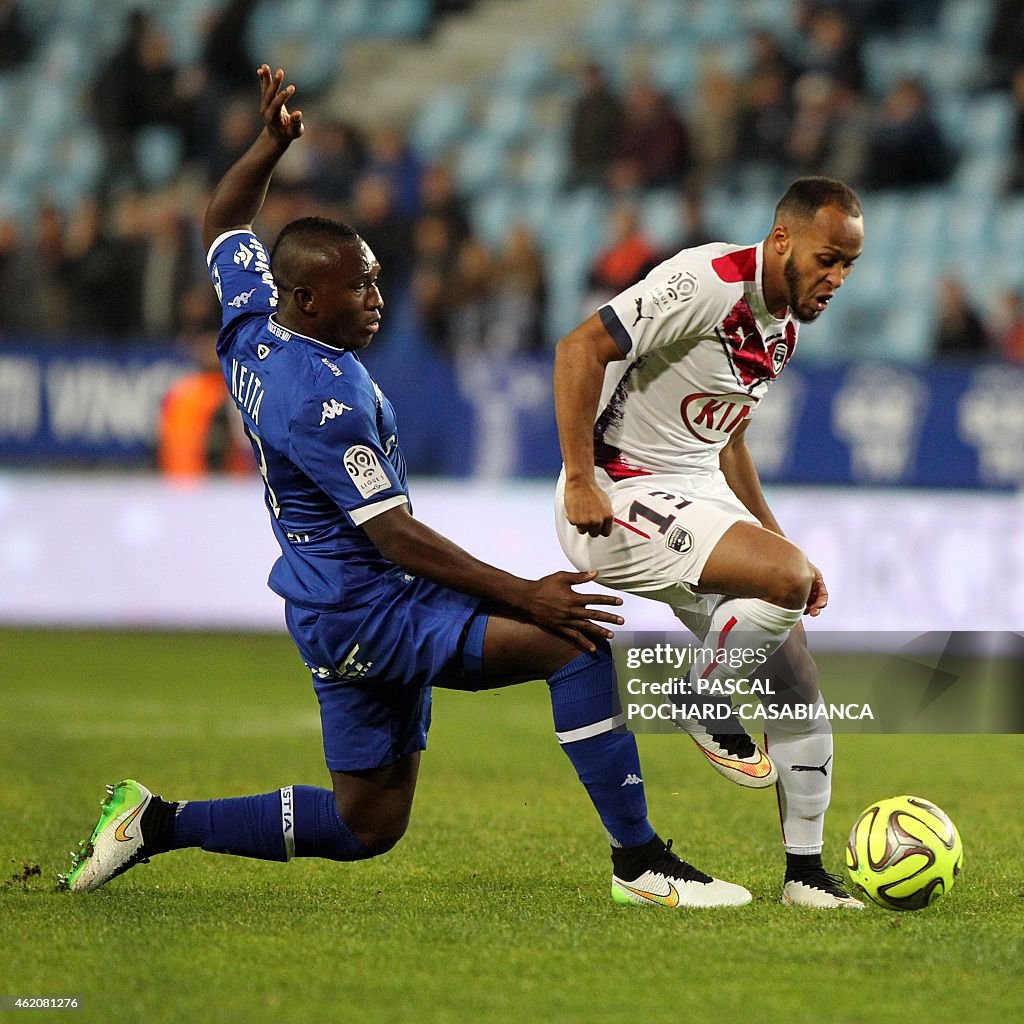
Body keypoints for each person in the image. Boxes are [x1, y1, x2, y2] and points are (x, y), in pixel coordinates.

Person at [59, 66, 752, 910]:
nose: (379, 298)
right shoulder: (324, 398)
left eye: (377, 278)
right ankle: (640, 865)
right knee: (574, 643)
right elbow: (395, 537)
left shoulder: (251, 327)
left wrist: (267, 148)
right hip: (371, 604)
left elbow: (222, 219)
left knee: (367, 824)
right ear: (309, 299)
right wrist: (528, 595)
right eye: (362, 286)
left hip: (332, 604)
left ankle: (153, 822)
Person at [552, 175, 866, 909]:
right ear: (783, 239)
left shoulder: (783, 326)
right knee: (782, 585)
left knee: (795, 677)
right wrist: (578, 478)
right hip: (617, 492)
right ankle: (701, 694)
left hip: (694, 495)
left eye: (849, 265)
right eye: (828, 259)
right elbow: (578, 348)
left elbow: (728, 442)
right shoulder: (707, 280)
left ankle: (807, 876)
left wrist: (778, 542)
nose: (838, 279)